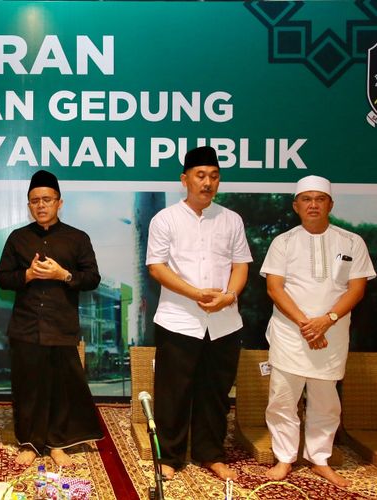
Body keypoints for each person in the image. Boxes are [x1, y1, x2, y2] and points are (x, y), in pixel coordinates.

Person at [146, 146, 252, 480]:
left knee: (215, 393)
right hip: (178, 320)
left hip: (223, 322)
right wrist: (194, 293)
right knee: (172, 394)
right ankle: (170, 457)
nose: (207, 183)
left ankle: (211, 454)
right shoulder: (165, 219)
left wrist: (229, 295)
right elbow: (156, 267)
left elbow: (241, 265)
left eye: (214, 176)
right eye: (200, 176)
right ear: (185, 179)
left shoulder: (231, 219)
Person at [261, 175, 375, 487]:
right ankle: (285, 457)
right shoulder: (282, 242)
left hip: (332, 333)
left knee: (326, 400)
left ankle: (319, 458)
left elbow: (357, 289)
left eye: (319, 199)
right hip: (290, 334)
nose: (313, 204)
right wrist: (305, 323)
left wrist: (327, 319)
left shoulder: (352, 242)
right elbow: (274, 288)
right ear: (296, 205)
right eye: (307, 199)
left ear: (330, 204)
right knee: (283, 398)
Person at [0, 169, 103, 467]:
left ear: (59, 202)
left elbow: (92, 278)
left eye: (46, 199)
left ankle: (57, 444)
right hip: (26, 325)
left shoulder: (77, 238)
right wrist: (27, 274)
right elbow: (2, 278)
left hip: (61, 326)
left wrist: (63, 274)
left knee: (61, 388)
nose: (41, 205)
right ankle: (30, 443)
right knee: (28, 387)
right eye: (34, 201)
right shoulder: (18, 239)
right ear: (28, 205)